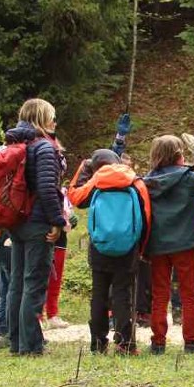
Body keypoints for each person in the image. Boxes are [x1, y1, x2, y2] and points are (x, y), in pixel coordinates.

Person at [68, 148, 151, 355]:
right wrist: (141, 248)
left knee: (99, 294)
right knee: (124, 294)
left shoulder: (95, 184)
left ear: (94, 167)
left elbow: (74, 196)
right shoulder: (135, 182)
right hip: (128, 247)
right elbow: (146, 217)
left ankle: (98, 343)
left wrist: (84, 167)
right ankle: (125, 343)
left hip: (100, 246)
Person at [144, 133, 194, 354]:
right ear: (179, 155)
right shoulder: (186, 179)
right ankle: (191, 343)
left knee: (159, 295)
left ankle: (158, 343)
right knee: (188, 295)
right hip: (186, 244)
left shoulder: (148, 182)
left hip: (158, 246)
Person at [4, 98, 67, 356]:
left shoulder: (16, 144)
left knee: (16, 284)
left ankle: (17, 342)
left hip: (17, 221)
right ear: (42, 118)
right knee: (34, 283)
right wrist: (57, 221)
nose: (55, 121)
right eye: (52, 116)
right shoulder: (43, 148)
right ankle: (32, 345)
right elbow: (47, 189)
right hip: (38, 222)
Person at [41, 190, 76, 330]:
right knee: (41, 279)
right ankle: (37, 316)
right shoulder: (42, 189)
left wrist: (72, 220)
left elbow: (71, 216)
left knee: (56, 280)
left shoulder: (62, 192)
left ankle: (52, 314)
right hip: (43, 239)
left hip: (61, 242)